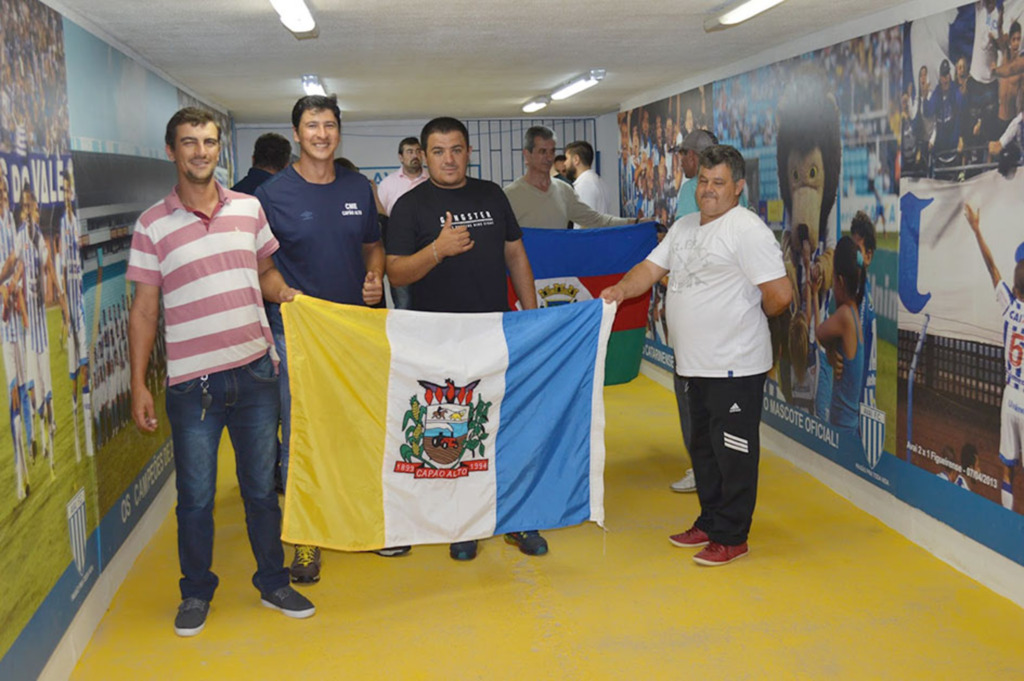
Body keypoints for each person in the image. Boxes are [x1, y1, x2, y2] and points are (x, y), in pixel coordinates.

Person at [127, 107, 315, 637]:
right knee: (197, 499)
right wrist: (139, 382)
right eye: (189, 142)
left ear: (219, 150)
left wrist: (286, 294)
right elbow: (144, 310)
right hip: (193, 388)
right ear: (172, 151)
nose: (201, 151)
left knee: (260, 490)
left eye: (209, 142)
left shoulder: (250, 209)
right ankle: (195, 592)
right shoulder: (151, 225)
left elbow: (266, 273)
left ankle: (274, 582)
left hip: (256, 375)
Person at [600, 145, 791, 566]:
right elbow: (649, 270)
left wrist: (738, 319)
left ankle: (732, 535)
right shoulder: (685, 227)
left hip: (735, 367)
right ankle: (710, 519)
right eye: (703, 181)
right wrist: (620, 290)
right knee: (702, 449)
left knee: (733, 452)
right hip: (691, 365)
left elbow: (779, 296)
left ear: (738, 187)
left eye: (718, 183)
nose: (708, 190)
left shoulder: (747, 230)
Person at [386, 116, 545, 562]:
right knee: (455, 434)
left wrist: (530, 314)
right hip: (438, 339)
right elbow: (395, 271)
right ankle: (463, 523)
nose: (449, 159)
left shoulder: (491, 194)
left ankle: (517, 519)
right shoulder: (409, 206)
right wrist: (438, 249)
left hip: (494, 330)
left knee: (508, 424)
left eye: (456, 149)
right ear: (423, 154)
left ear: (469, 151)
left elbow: (515, 252)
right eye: (438, 151)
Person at [256, 96, 395, 581]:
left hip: (356, 331)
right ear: (296, 133)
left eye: (329, 125)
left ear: (339, 132)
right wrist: (286, 295)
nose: (321, 133)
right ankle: (307, 540)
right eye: (311, 125)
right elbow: (262, 270)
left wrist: (375, 276)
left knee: (364, 426)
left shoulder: (359, 186)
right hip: (301, 333)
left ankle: (370, 525)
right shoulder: (273, 195)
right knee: (304, 436)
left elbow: (372, 248)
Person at [964, 201, 1024, 512]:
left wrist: (976, 229)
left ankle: (1005, 521)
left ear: (1015, 286)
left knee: (1007, 469)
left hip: (1010, 394)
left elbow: (992, 267)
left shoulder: (1010, 307)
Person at [503, 126, 635, 230]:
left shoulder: (564, 191)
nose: (549, 158)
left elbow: (596, 220)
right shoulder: (510, 195)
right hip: (525, 265)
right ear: (527, 155)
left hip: (558, 264)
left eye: (552, 151)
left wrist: (635, 222)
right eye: (542, 152)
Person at [56, 169, 93, 460]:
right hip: (69, 307)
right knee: (72, 372)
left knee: (84, 369)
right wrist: (64, 309)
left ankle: (87, 440)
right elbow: (57, 271)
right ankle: (77, 437)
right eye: (65, 191)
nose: (69, 195)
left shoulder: (75, 220)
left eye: (71, 190)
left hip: (80, 306)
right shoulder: (60, 226)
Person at [815, 236, 865, 431]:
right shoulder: (854, 313)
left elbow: (819, 332)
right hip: (848, 423)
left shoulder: (844, 316)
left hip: (842, 426)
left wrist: (829, 349)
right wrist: (832, 350)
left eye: (833, 280)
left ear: (840, 281)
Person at [849, 211, 878, 408]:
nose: (853, 256)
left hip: (858, 405)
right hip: (864, 401)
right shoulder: (862, 290)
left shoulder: (860, 302)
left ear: (868, 256)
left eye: (857, 250)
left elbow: (856, 363)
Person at [564, 140, 613, 227]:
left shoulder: (585, 185)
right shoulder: (598, 181)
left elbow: (586, 222)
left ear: (576, 159)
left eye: (567, 159)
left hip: (588, 239)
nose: (565, 163)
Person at [377, 137, 429, 216]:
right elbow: (380, 215)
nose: (415, 155)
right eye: (410, 152)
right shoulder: (387, 183)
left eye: (418, 151)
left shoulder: (432, 179)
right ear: (401, 157)